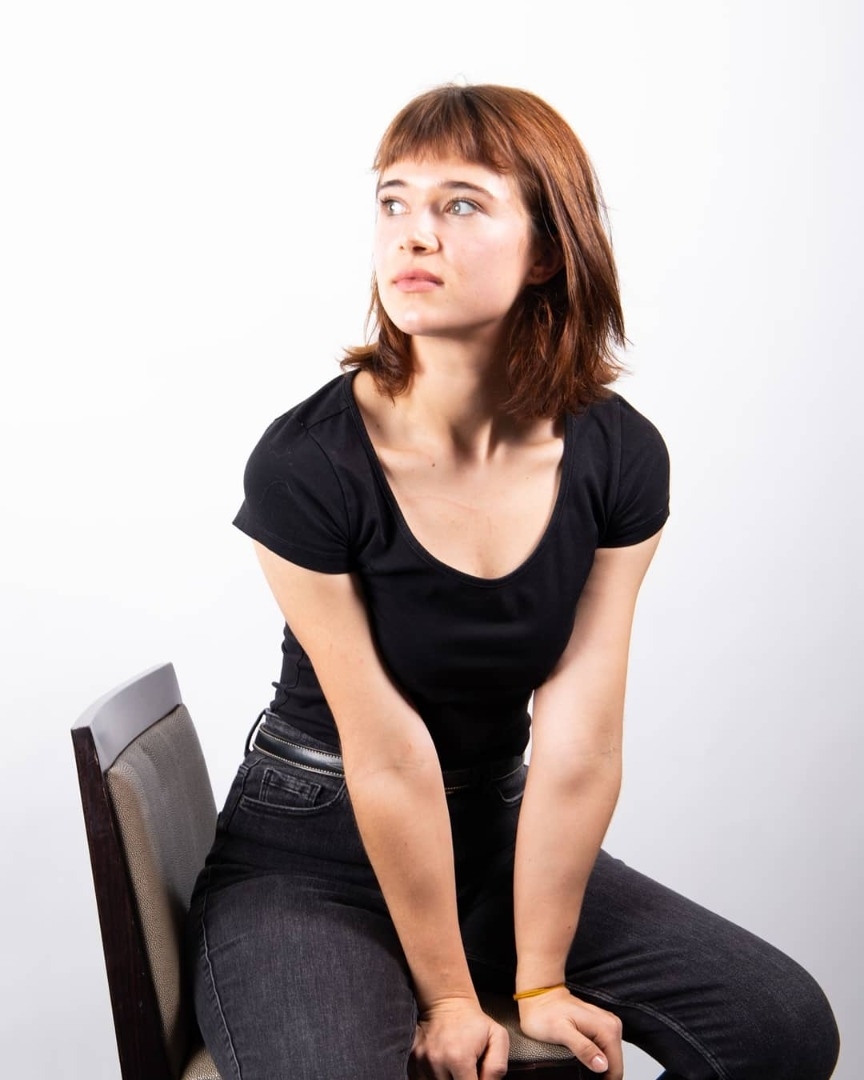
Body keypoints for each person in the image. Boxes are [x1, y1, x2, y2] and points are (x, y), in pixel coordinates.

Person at [186, 83, 839, 1080]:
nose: (412, 234)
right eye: (394, 201)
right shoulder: (307, 461)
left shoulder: (617, 457)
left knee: (779, 1025)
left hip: (497, 845)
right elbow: (386, 754)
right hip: (311, 860)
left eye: (459, 203)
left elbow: (580, 741)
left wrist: (540, 976)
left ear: (545, 250)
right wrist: (451, 996)